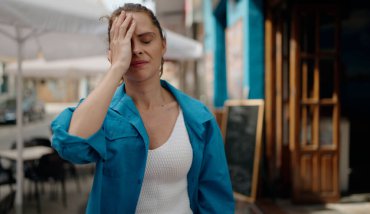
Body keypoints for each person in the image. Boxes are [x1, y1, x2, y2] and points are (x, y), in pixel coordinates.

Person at [51, 3, 234, 214]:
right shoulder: (103, 113)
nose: (136, 49)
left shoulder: (199, 118)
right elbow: (70, 145)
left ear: (163, 45)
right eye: (126, 43)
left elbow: (216, 200)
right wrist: (116, 67)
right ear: (112, 53)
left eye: (146, 40)